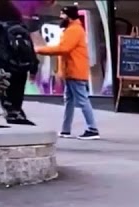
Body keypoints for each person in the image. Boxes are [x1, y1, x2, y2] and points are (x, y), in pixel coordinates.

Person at [35, 5, 99, 139]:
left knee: (82, 100)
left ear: (69, 16)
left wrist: (39, 49)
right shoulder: (72, 29)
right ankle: (66, 130)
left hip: (75, 71)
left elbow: (64, 48)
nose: (60, 17)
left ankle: (92, 129)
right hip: (71, 71)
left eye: (62, 15)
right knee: (69, 100)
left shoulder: (74, 30)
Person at [0, 0, 38, 125]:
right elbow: (29, 46)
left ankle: (12, 115)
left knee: (6, 94)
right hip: (22, 65)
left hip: (3, 64)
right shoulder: (19, 22)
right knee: (17, 95)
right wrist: (34, 67)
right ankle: (17, 114)